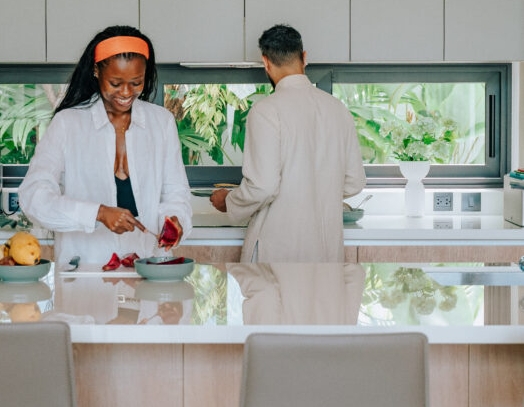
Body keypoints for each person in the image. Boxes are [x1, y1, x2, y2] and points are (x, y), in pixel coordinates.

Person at [19, 25, 193, 267]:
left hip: (147, 267)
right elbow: (33, 197)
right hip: (84, 269)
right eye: (115, 83)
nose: (126, 92)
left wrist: (175, 220)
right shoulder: (68, 123)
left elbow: (176, 193)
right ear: (96, 71)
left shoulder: (161, 122)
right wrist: (98, 213)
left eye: (136, 82)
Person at [210, 24, 365, 262]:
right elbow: (354, 182)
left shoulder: (266, 111)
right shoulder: (338, 109)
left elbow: (263, 187)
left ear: (266, 62)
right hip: (326, 252)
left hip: (277, 249)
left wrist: (228, 201)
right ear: (304, 57)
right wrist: (315, 192)